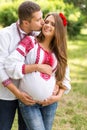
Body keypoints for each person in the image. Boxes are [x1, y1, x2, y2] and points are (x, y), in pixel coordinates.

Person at [4, 12, 71, 130]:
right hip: (29, 102)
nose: (48, 25)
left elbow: (65, 76)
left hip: (50, 103)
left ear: (59, 30)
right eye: (47, 22)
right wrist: (37, 67)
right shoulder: (30, 41)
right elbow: (11, 65)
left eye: (53, 24)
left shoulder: (58, 51)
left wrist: (57, 97)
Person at [0, 1, 52, 130]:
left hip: (29, 96)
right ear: (26, 22)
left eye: (42, 17)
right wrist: (17, 93)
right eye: (38, 19)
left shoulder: (39, 34)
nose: (43, 22)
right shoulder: (5, 35)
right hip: (7, 94)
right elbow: (0, 68)